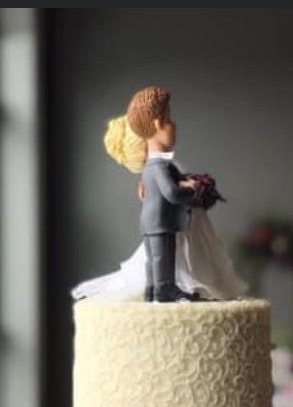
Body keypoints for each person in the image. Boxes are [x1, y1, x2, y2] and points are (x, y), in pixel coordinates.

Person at [72, 86, 246, 304]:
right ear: (157, 125)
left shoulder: (158, 166)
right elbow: (172, 194)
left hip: (152, 221)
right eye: (170, 119)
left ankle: (153, 290)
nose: (175, 126)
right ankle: (164, 289)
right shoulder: (158, 167)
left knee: (154, 259)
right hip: (161, 222)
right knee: (163, 257)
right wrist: (192, 190)